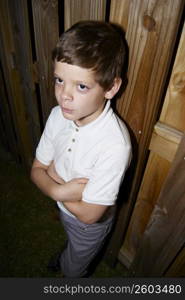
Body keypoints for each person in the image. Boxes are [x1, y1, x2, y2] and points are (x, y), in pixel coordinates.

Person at [31, 20, 132, 278]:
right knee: (71, 246)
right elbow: (36, 170)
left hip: (88, 228)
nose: (64, 95)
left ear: (110, 87)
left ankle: (70, 267)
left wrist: (51, 178)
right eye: (59, 80)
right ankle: (68, 255)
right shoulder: (58, 115)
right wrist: (60, 189)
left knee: (73, 271)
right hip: (66, 208)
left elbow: (89, 215)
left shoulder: (114, 145)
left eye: (81, 86)